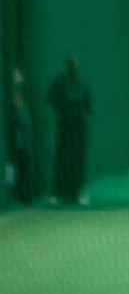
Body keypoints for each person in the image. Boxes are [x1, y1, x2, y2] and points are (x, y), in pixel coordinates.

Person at [46, 56, 92, 206]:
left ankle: (76, 194)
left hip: (79, 130)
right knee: (62, 160)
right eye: (71, 63)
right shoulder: (58, 83)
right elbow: (49, 99)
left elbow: (88, 107)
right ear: (66, 65)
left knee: (77, 161)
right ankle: (58, 194)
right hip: (64, 128)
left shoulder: (82, 85)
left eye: (76, 64)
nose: (74, 66)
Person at [4, 67, 34, 207]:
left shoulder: (23, 96)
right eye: (16, 76)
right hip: (11, 143)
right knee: (11, 166)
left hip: (22, 142)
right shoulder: (7, 97)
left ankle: (24, 196)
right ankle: (10, 194)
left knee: (23, 166)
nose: (19, 78)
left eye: (20, 75)